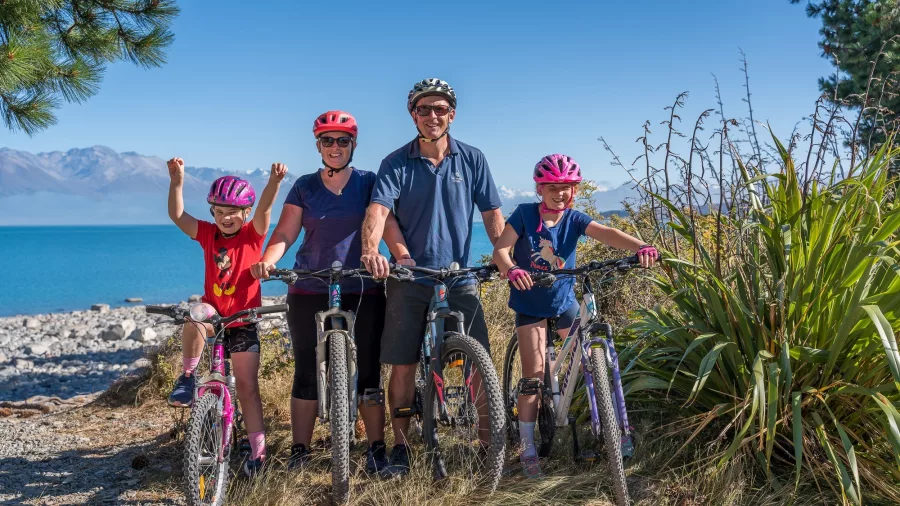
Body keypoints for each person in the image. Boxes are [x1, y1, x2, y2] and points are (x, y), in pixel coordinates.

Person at [250, 111, 411, 474]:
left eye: (342, 140)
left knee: (369, 371)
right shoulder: (305, 186)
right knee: (306, 371)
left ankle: (376, 448)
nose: (334, 147)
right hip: (309, 285)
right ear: (318, 145)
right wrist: (268, 261)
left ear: (353, 144)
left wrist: (402, 257)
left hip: (363, 287)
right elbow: (285, 233)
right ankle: (300, 451)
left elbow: (387, 225)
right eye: (327, 140)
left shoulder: (370, 182)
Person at [360, 78, 504, 477]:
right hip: (409, 277)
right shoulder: (395, 163)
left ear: (451, 115)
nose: (433, 115)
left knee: (480, 362)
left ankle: (488, 446)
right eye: (424, 109)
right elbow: (378, 211)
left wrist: (502, 253)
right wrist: (372, 251)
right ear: (413, 115)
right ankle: (401, 447)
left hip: (458, 277)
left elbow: (492, 213)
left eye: (440, 109)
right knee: (403, 364)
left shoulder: (472, 159)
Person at [491, 154, 658, 478]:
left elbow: (607, 232)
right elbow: (501, 249)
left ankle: (608, 427)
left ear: (574, 190)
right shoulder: (525, 214)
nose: (560, 193)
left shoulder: (574, 219)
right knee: (533, 376)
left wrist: (642, 245)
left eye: (567, 187)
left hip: (564, 300)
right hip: (529, 304)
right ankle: (527, 448)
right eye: (553, 187)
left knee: (590, 363)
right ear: (540, 189)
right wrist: (511, 269)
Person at [166, 157, 287, 477]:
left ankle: (258, 453)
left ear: (244, 214)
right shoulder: (207, 234)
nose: (226, 218)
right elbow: (177, 215)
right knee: (194, 317)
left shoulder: (253, 235)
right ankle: (188, 378)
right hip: (215, 315)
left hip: (245, 319)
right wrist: (176, 182)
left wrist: (273, 183)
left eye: (232, 212)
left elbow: (264, 211)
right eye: (219, 212)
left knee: (247, 387)